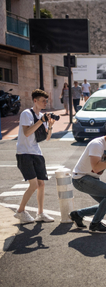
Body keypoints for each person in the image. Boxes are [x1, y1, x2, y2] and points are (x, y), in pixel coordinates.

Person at [69, 120, 106, 233]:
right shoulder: (97, 144)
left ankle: (77, 215)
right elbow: (96, 168)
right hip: (81, 178)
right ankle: (95, 224)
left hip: (92, 179)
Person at [14, 89, 57, 224]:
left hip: (36, 153)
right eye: (43, 101)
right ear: (35, 101)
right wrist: (41, 121)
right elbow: (27, 132)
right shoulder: (27, 114)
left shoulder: (42, 117)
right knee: (33, 185)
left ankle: (40, 213)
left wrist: (49, 126)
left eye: (46, 100)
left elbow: (47, 138)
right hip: (24, 153)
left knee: (41, 184)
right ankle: (20, 211)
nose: (45, 103)